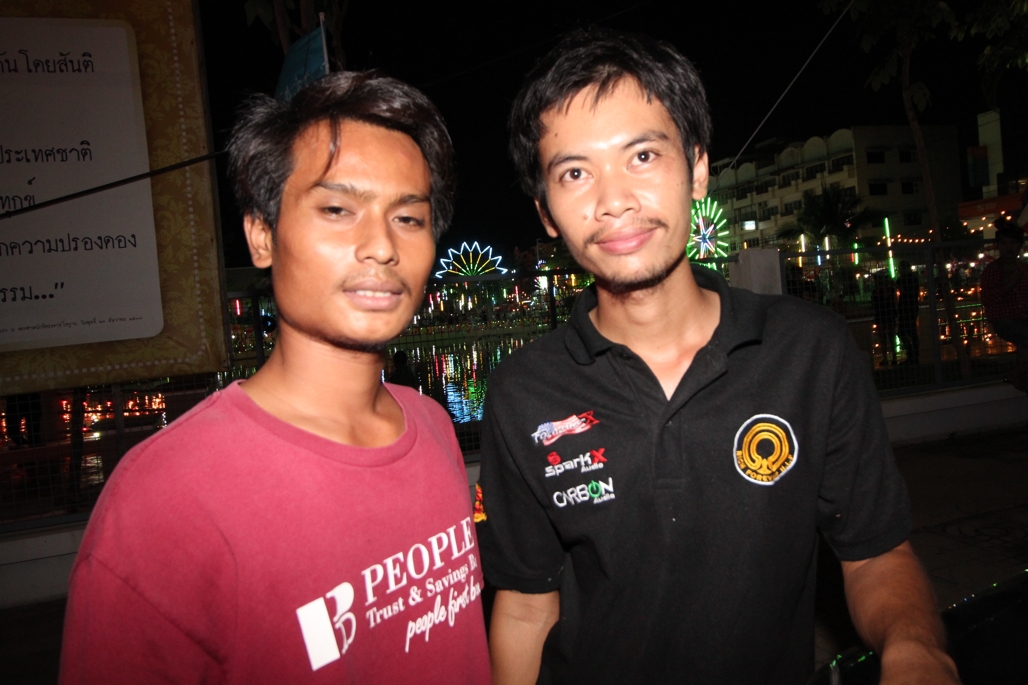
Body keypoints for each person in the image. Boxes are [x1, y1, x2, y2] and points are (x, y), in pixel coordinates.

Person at [475, 28, 958, 685]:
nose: (613, 201)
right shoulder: (522, 390)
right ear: (546, 212)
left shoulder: (809, 352)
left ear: (698, 168)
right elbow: (527, 604)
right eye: (576, 173)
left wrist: (917, 650)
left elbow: (875, 553)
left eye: (643, 155)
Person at [60, 72, 490, 684]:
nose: (381, 246)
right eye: (337, 210)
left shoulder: (432, 426)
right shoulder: (164, 501)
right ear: (261, 236)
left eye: (409, 218)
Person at [981, 219, 1028, 392]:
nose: (1009, 248)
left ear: (1020, 245)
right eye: (1004, 243)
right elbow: (988, 300)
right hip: (1005, 321)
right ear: (998, 246)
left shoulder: (1023, 268)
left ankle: (1021, 376)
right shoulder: (993, 270)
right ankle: (1015, 373)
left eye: (1013, 243)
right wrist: (1009, 285)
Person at [872, 270, 899, 367]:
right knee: (885, 337)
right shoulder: (878, 291)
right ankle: (888, 358)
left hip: (886, 314)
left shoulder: (887, 290)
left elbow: (891, 300)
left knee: (889, 337)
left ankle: (892, 357)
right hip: (885, 314)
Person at [896, 261, 921, 364]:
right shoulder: (914, 278)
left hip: (906, 307)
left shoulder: (904, 279)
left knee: (904, 331)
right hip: (911, 307)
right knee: (910, 331)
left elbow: (904, 291)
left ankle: (912, 354)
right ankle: (913, 354)